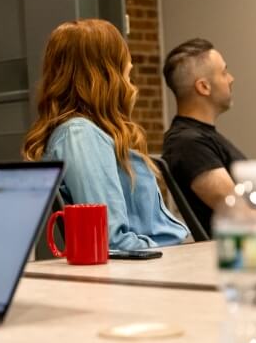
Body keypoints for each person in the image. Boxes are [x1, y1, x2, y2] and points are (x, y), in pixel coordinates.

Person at [22, 19, 189, 250]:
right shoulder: (79, 135)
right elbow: (112, 240)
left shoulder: (92, 134)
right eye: (124, 57)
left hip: (167, 255)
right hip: (158, 262)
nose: (130, 64)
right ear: (104, 70)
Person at [162, 38, 246, 236]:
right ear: (204, 87)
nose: (231, 79)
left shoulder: (202, 137)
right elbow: (240, 210)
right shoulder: (187, 144)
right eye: (224, 72)